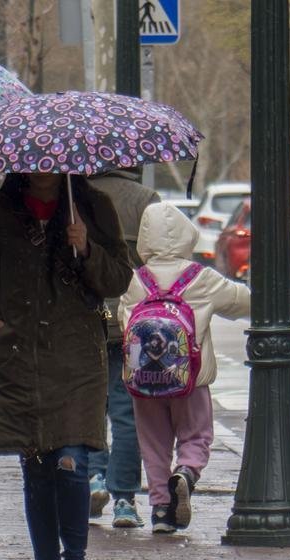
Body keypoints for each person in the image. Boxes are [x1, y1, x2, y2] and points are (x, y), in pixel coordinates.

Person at [0, 172, 132, 560]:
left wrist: (87, 247)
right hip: (20, 358)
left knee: (72, 462)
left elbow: (119, 279)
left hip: (76, 357)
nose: (45, 169)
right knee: (37, 468)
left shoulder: (92, 206)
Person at [117, 201, 250, 533]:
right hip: (190, 379)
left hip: (144, 381)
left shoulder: (136, 281)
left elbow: (125, 323)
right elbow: (241, 301)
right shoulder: (200, 278)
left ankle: (161, 510)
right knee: (196, 435)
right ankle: (186, 473)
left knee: (153, 444)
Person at [85, 169, 160, 528]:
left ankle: (94, 477)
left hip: (83, 317)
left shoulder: (76, 196)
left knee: (88, 408)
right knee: (127, 412)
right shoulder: (145, 199)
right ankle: (125, 499)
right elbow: (157, 260)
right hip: (132, 320)